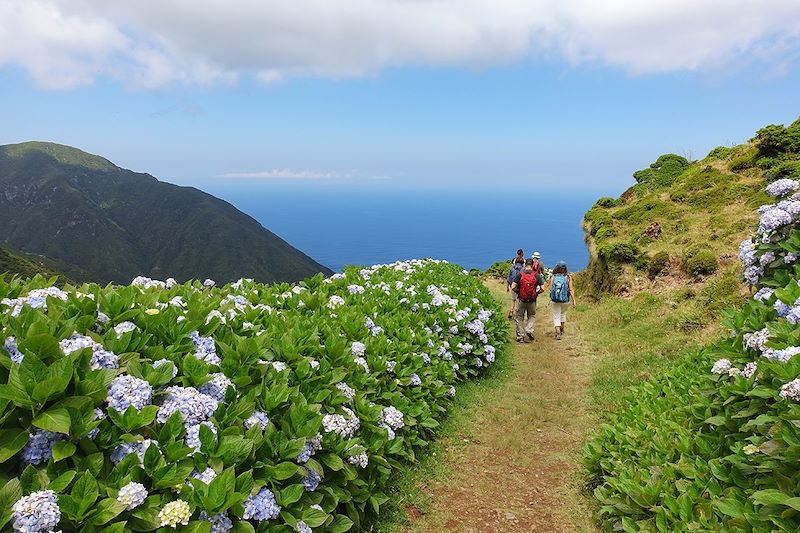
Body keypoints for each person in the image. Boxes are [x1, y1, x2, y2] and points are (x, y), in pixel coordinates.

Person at [510, 258, 545, 342]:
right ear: (532, 265)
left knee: (519, 317)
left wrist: (518, 292)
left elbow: (513, 287)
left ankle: (520, 336)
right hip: (532, 300)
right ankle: (529, 329)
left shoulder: (520, 274)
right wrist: (536, 293)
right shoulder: (536, 275)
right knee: (531, 316)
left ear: (525, 264)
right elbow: (543, 288)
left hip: (521, 299)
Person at [546, 261, 576, 340]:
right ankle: (562, 329)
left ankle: (558, 332)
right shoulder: (568, 277)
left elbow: (550, 288)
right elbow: (571, 289)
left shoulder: (553, 276)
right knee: (563, 314)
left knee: (556, 315)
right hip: (565, 300)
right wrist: (574, 300)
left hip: (555, 300)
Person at [506, 249, 525, 319]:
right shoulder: (523, 269)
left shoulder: (512, 268)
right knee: (518, 300)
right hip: (520, 286)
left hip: (512, 285)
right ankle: (517, 314)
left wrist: (507, 287)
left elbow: (508, 277)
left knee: (513, 299)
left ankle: (511, 311)